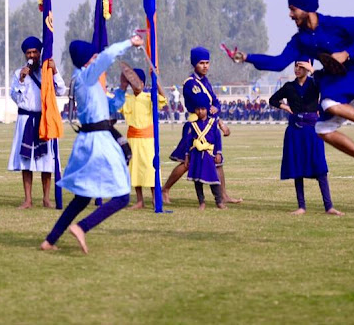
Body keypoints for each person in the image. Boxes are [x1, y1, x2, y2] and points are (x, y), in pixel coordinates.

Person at [239, 0, 354, 191]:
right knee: (322, 128)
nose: (290, 14)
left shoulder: (336, 24)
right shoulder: (300, 40)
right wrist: (247, 58)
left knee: (328, 102)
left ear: (306, 7)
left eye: (293, 9)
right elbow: (278, 62)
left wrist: (346, 53)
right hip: (340, 80)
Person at [40, 34, 143, 254]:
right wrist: (129, 42)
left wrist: (123, 87)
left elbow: (111, 106)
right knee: (123, 196)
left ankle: (50, 240)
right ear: (86, 59)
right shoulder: (86, 77)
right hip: (98, 143)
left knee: (82, 198)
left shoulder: (86, 81)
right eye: (92, 55)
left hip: (90, 141)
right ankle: (81, 227)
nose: (96, 57)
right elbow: (107, 55)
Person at [162, 47, 241, 204]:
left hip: (209, 123)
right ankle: (165, 189)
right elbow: (204, 105)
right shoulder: (191, 84)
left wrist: (216, 110)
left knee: (217, 159)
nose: (205, 66)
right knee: (187, 163)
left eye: (207, 63)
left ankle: (223, 195)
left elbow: (215, 102)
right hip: (195, 126)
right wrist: (220, 122)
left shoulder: (206, 82)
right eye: (201, 63)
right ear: (194, 64)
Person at [269, 61, 343, 216]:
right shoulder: (289, 86)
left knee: (320, 167)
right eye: (296, 66)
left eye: (301, 66)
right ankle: (301, 206)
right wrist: (286, 107)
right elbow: (273, 100)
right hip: (295, 130)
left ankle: (329, 206)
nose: (297, 69)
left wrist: (313, 70)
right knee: (297, 168)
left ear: (308, 68)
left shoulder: (315, 83)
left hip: (312, 129)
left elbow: (329, 83)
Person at [8, 36, 66, 209]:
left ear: (40, 53)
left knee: (46, 161)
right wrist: (21, 80)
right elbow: (15, 97)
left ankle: (46, 199)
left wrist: (54, 72)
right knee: (27, 161)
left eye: (35, 52)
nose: (32, 55)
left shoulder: (47, 71)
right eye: (29, 53)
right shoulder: (19, 73)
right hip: (25, 120)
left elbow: (61, 91)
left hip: (45, 120)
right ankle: (28, 199)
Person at [119, 68, 167, 209]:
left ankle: (154, 198)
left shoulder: (149, 97)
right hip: (132, 140)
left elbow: (163, 99)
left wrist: (155, 80)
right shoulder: (126, 99)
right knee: (134, 170)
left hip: (147, 140)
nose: (135, 84)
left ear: (143, 83)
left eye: (137, 81)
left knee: (150, 168)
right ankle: (140, 200)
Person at [183, 93, 226, 210]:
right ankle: (201, 202)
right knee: (197, 180)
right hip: (196, 155)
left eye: (203, 109)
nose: (200, 111)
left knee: (214, 179)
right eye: (198, 109)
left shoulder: (212, 123)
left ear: (207, 109)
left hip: (209, 155)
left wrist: (218, 153)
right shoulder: (192, 125)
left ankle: (219, 201)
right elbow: (188, 142)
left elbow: (217, 138)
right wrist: (187, 156)